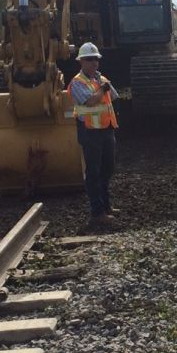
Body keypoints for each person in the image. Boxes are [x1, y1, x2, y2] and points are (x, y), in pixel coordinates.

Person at [68, 42, 119, 226]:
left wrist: (104, 85)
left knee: (107, 169)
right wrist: (103, 88)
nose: (94, 63)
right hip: (90, 133)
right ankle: (97, 213)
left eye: (96, 59)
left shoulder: (100, 79)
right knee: (94, 172)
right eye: (90, 60)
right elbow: (89, 102)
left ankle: (106, 206)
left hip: (106, 129)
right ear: (81, 61)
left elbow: (113, 96)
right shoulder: (77, 83)